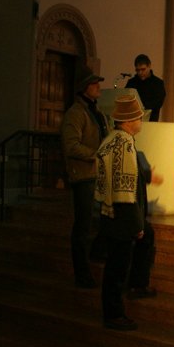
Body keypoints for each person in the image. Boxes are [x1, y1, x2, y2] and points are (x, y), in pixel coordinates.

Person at [95, 94, 163, 331]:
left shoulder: (111, 139)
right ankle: (113, 314)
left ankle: (135, 286)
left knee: (120, 261)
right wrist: (136, 224)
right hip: (121, 215)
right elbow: (124, 189)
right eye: (138, 118)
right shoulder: (124, 144)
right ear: (128, 120)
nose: (141, 121)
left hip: (110, 212)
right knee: (117, 267)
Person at [60, 65, 109, 288]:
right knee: (83, 226)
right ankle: (81, 273)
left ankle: (97, 253)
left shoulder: (95, 112)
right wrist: (96, 154)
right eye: (93, 83)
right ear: (83, 88)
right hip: (84, 176)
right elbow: (71, 145)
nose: (98, 86)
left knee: (102, 219)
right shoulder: (76, 113)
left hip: (96, 174)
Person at [125, 54, 166, 122]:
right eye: (137, 70)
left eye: (143, 69)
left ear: (149, 66)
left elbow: (158, 103)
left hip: (150, 121)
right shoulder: (132, 83)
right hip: (132, 121)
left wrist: (142, 106)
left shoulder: (157, 83)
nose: (140, 73)